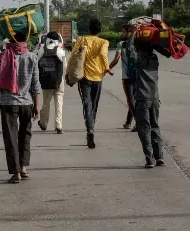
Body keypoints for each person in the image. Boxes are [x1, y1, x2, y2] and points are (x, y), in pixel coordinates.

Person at [0, 29, 41, 184]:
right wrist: (37, 105)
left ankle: (16, 172)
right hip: (26, 102)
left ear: (10, 40)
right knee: (25, 134)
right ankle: (24, 167)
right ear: (25, 40)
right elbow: (36, 84)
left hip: (8, 102)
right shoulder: (32, 57)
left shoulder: (2, 56)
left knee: (10, 138)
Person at [122, 34, 171, 168]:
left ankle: (149, 158)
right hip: (155, 99)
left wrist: (133, 33)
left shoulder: (138, 59)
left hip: (142, 99)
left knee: (144, 128)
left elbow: (128, 49)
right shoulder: (154, 58)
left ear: (139, 48)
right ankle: (159, 156)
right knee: (155, 126)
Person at [65, 18, 110, 149]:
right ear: (100, 31)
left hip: (84, 78)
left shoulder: (81, 40)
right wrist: (106, 67)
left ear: (89, 30)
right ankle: (92, 127)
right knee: (94, 104)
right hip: (98, 78)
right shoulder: (104, 42)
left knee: (87, 104)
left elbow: (73, 56)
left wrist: (68, 72)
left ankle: (90, 128)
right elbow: (102, 54)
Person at [37, 31, 66, 134]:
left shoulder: (41, 50)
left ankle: (44, 123)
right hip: (59, 81)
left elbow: (38, 66)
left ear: (47, 39)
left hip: (46, 82)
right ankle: (59, 125)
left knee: (46, 103)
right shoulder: (60, 51)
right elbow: (64, 66)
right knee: (59, 103)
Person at [109, 24, 136, 131]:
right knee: (134, 100)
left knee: (130, 100)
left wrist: (106, 68)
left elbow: (116, 60)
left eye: (123, 32)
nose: (122, 34)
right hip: (138, 76)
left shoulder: (122, 44)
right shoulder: (138, 43)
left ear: (129, 33)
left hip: (127, 77)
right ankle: (128, 122)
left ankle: (139, 122)